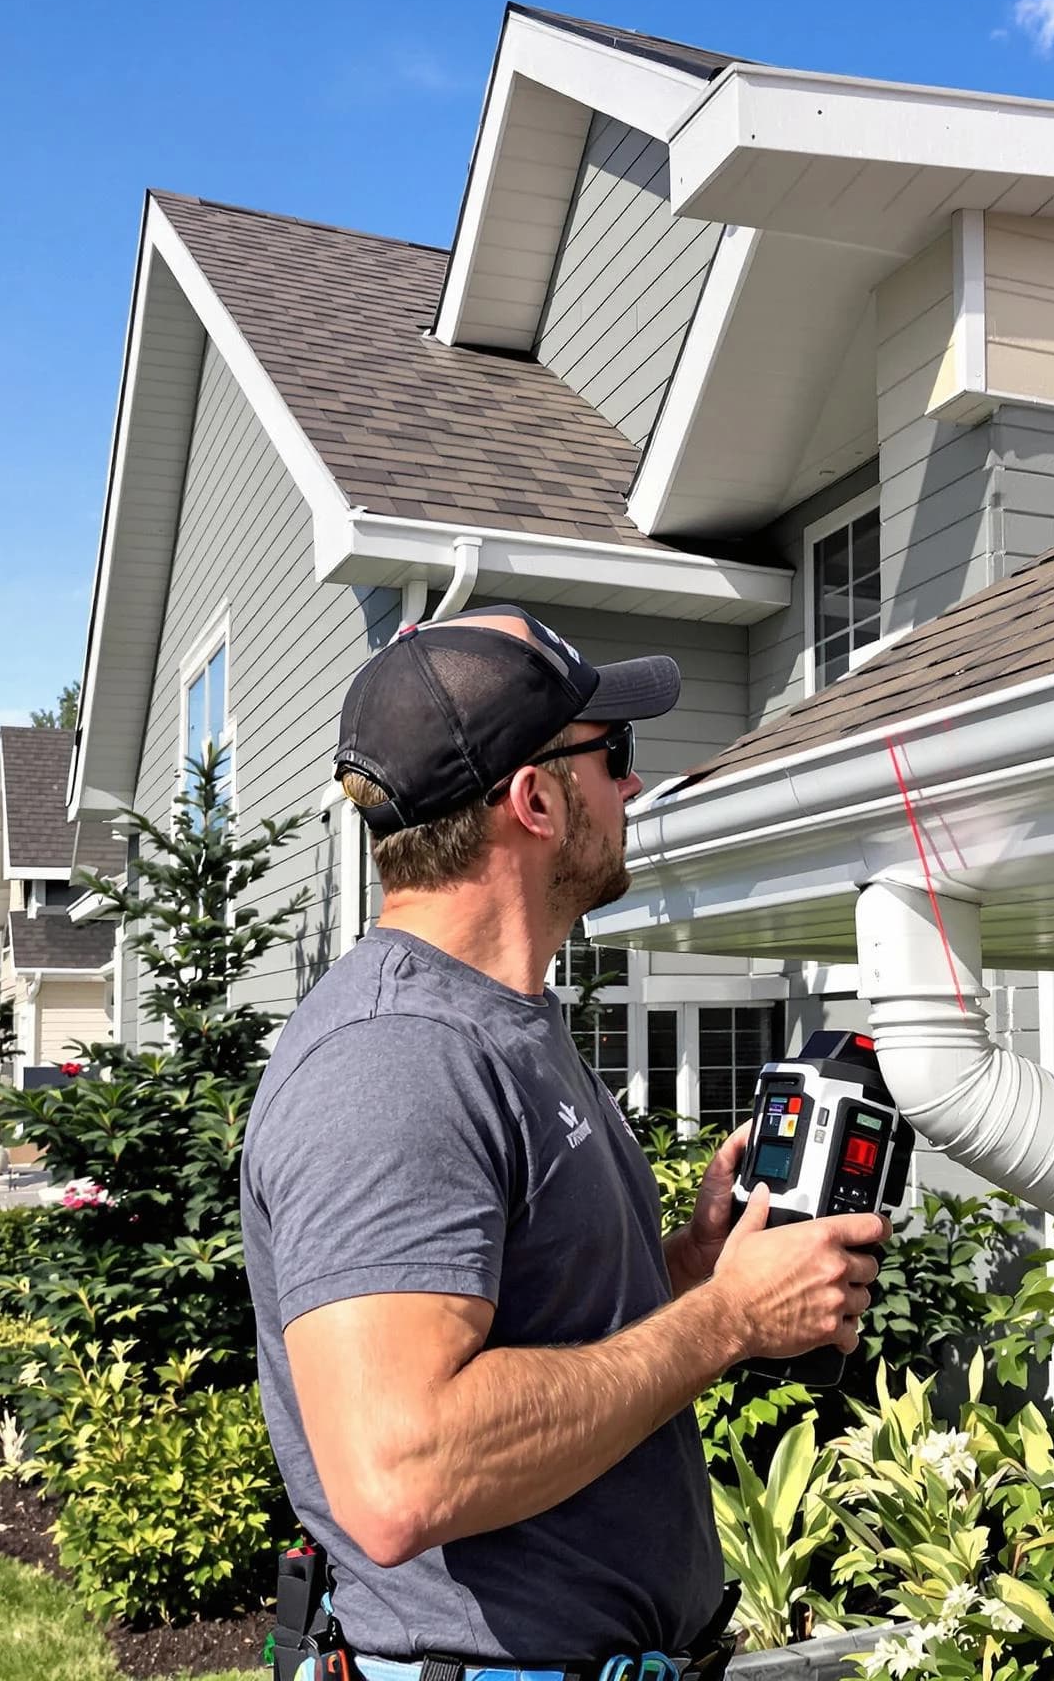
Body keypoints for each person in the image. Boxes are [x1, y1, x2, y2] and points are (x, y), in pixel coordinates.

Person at [241, 607, 889, 1680]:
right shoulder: (394, 1060)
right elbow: (402, 1472)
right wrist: (726, 1320)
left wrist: (686, 1271)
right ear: (535, 799)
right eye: (613, 755)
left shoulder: (506, 1025)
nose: (633, 787)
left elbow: (543, 1321)